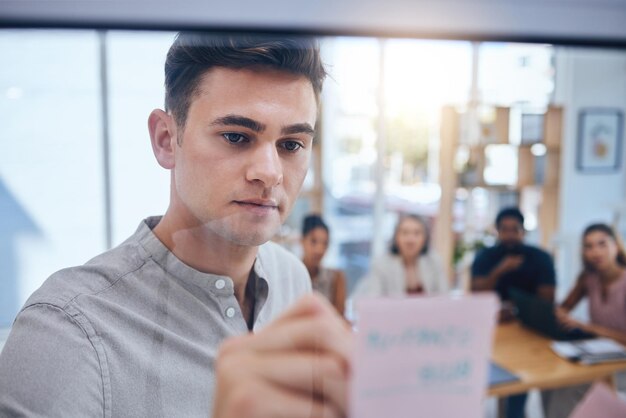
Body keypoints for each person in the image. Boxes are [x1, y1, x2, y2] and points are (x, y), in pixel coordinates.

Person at [0, 33, 352, 418]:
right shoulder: (66, 334)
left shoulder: (292, 281)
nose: (269, 173)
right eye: (236, 136)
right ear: (167, 140)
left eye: (291, 145)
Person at [471, 207, 556, 418]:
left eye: (515, 229)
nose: (509, 234)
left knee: (520, 378)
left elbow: (547, 299)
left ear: (523, 231)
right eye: (504, 229)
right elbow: (475, 292)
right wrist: (499, 271)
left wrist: (518, 311)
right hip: (492, 330)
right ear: (497, 231)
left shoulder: (540, 258)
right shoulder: (486, 257)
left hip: (529, 330)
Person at [542, 223, 626, 418]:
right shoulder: (589, 278)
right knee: (550, 380)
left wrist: (587, 326)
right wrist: (556, 312)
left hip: (620, 363)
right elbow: (564, 308)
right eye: (589, 246)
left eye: (602, 244)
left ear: (616, 245)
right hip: (600, 355)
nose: (595, 251)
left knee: (570, 386)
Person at [355, 213, 449, 297]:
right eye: (405, 233)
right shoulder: (381, 265)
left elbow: (444, 296)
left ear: (425, 238)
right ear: (396, 237)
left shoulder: (434, 261)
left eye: (417, 233)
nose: (410, 239)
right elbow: (372, 298)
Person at [301, 214, 347, 315]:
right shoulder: (290, 275)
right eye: (314, 241)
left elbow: (339, 318)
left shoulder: (335, 278)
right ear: (302, 240)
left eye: (325, 243)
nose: (319, 250)